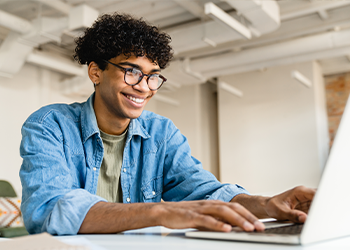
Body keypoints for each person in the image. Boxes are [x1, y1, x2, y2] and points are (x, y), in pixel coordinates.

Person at [20, 13, 315, 235]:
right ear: (96, 72)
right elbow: (50, 211)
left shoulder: (161, 133)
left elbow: (204, 192)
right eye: (131, 71)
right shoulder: (50, 125)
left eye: (152, 76)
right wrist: (161, 211)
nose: (144, 87)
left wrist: (267, 204)